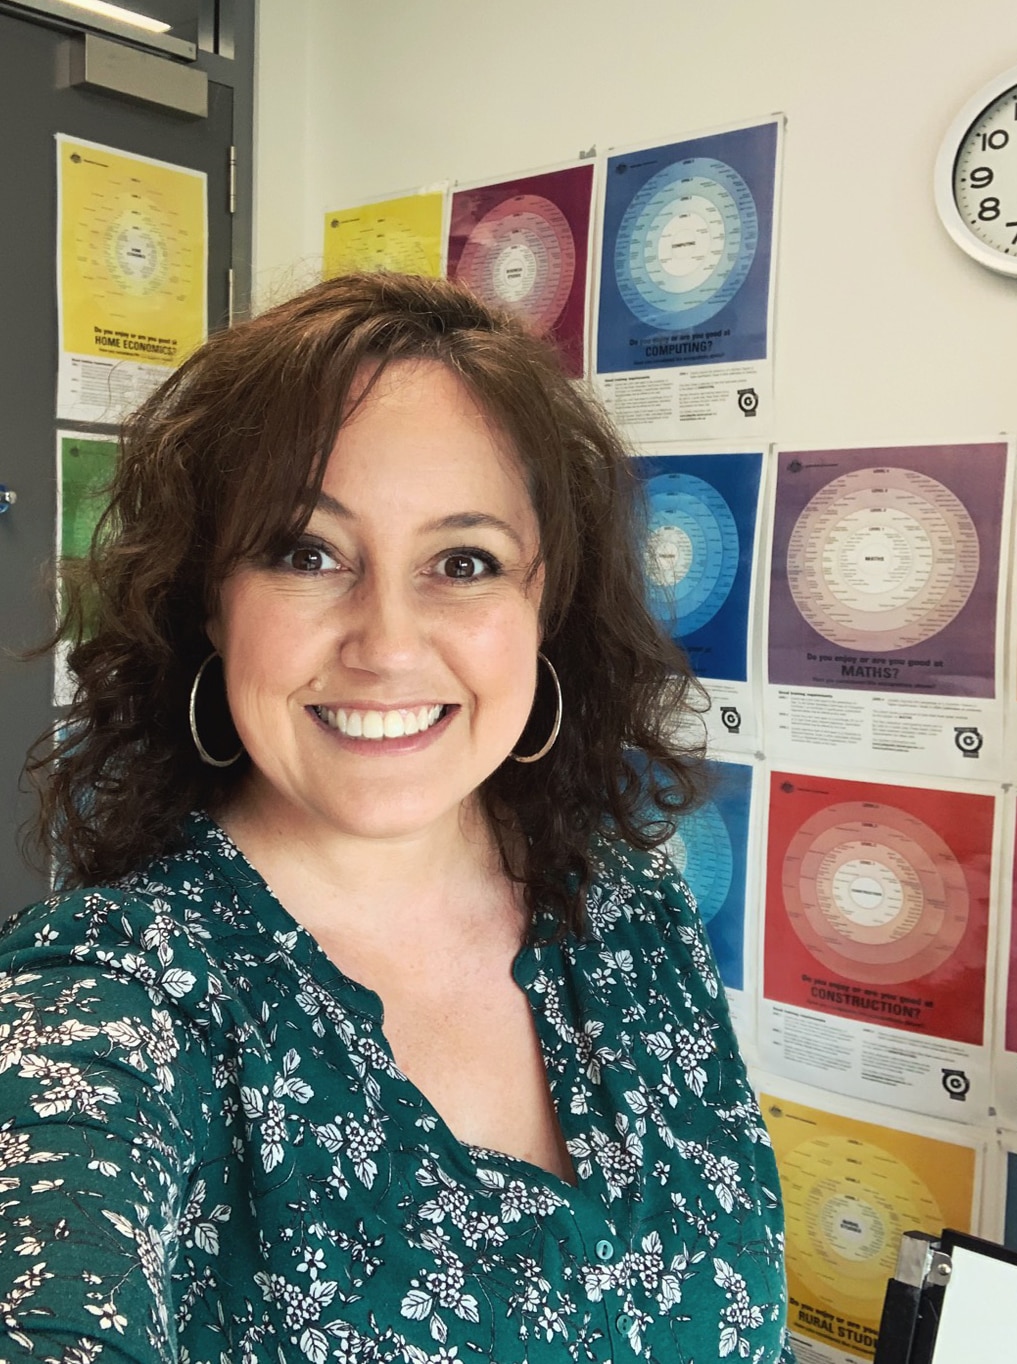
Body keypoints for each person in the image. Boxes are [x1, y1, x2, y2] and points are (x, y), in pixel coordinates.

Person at [0, 273, 794, 1364]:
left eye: (463, 562)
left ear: (541, 603)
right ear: (211, 603)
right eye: (305, 551)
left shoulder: (631, 915)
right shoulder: (111, 1000)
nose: (386, 643)